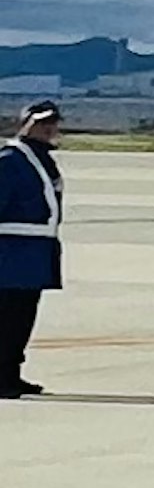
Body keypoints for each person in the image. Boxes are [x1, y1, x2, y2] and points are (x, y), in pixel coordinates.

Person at [0, 95, 60, 391]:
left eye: (52, 122)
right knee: (7, 317)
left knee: (22, 318)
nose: (48, 128)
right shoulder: (10, 160)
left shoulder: (40, 159)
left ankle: (10, 372)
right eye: (41, 123)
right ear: (25, 124)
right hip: (10, 254)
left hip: (33, 254)